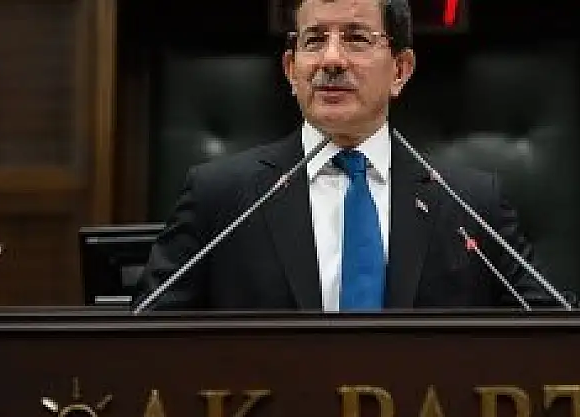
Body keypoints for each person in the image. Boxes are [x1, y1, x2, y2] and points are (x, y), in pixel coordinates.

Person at [134, 0, 546, 311]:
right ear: (291, 70)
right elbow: (145, 340)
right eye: (314, 40)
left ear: (400, 70)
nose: (331, 60)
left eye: (356, 38)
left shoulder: (471, 204)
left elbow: (551, 334)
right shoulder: (220, 197)